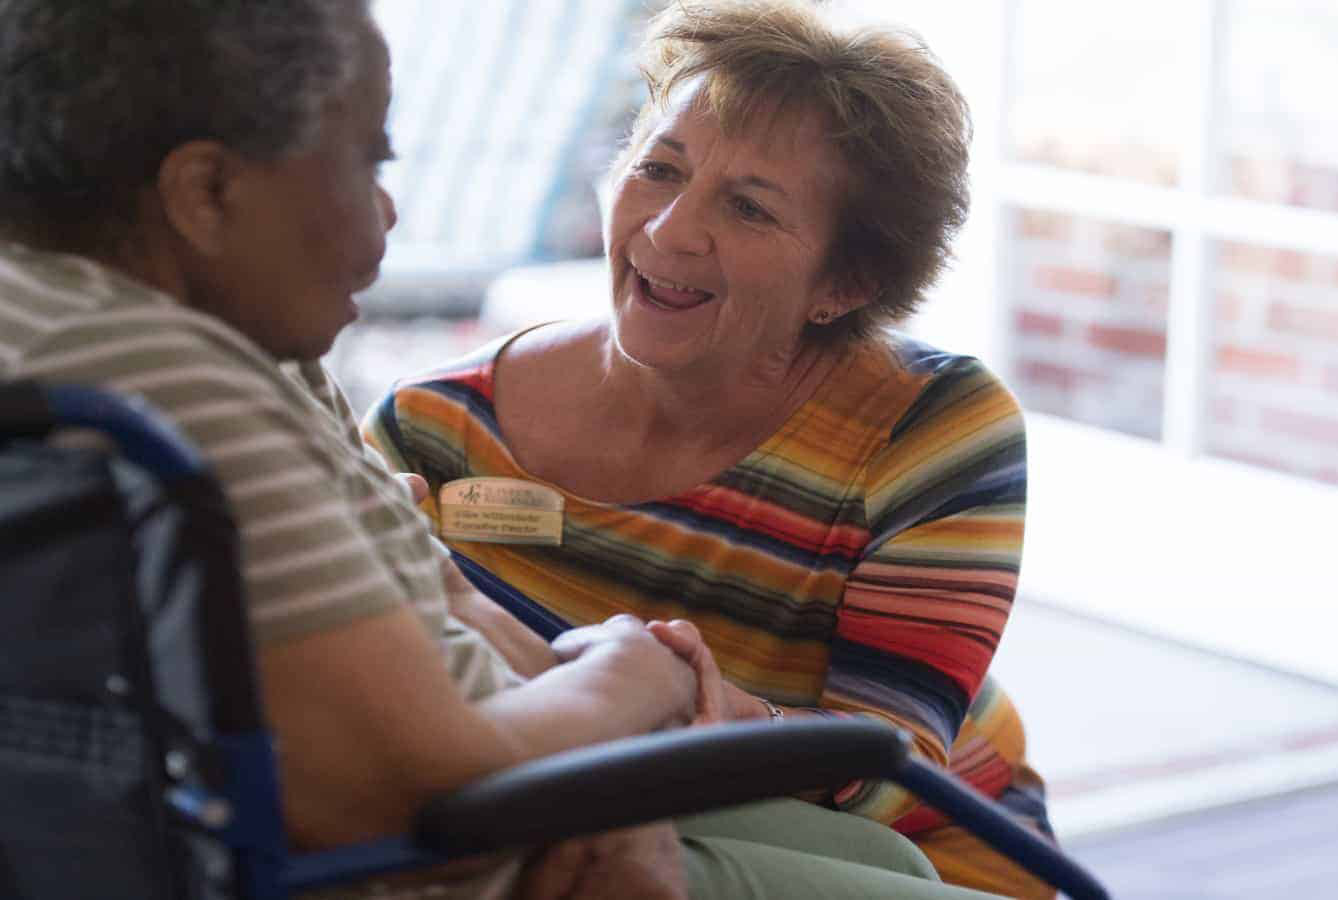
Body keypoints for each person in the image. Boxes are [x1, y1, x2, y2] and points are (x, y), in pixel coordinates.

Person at [0, 1, 998, 897]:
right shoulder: (174, 383)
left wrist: (596, 726)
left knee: (886, 865)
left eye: (748, 206)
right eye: (368, 163)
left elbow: (425, 610)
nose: (389, 216)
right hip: (454, 848)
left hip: (460, 775)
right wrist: (636, 675)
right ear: (204, 193)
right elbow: (431, 781)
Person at [365, 1, 1054, 896]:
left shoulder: (930, 429)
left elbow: (885, 769)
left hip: (925, 854)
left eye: (748, 208)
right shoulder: (436, 427)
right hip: (579, 814)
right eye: (658, 168)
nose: (667, 231)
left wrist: (696, 704)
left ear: (844, 283)